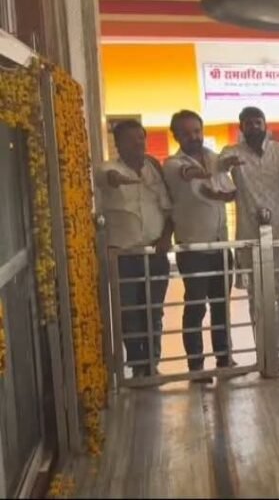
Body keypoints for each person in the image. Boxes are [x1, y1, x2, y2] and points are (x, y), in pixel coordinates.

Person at [221, 106, 279, 375]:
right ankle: (263, 355)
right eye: (248, 123)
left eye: (258, 122)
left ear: (265, 124)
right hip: (251, 238)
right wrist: (224, 166)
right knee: (257, 299)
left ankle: (276, 351)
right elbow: (218, 169)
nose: (254, 127)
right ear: (241, 127)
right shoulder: (232, 153)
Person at [162, 110, 238, 382]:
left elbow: (230, 192)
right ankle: (196, 366)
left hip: (221, 246)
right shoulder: (171, 164)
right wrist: (199, 173)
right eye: (186, 133)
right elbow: (185, 174)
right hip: (193, 250)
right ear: (176, 136)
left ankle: (224, 359)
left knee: (221, 307)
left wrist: (223, 192)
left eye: (197, 131)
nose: (194, 137)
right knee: (196, 307)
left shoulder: (215, 158)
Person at [97, 119, 173, 379]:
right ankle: (137, 364)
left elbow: (168, 210)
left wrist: (166, 237)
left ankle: (151, 364)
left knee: (153, 310)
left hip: (155, 254)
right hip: (124, 256)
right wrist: (116, 179)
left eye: (141, 137)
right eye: (131, 139)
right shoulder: (108, 168)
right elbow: (106, 178)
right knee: (129, 312)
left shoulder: (155, 170)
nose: (138, 143)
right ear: (118, 144)